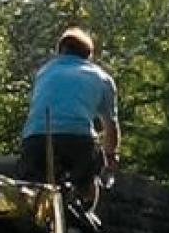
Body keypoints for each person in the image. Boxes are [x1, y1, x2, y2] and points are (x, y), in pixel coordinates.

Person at [17, 26, 120, 206]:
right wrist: (110, 157)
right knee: (88, 181)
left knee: (32, 191)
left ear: (60, 52)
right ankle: (84, 212)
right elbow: (110, 126)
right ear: (88, 55)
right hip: (78, 141)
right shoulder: (102, 78)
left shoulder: (43, 72)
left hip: (36, 139)